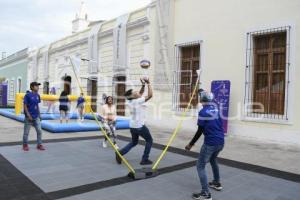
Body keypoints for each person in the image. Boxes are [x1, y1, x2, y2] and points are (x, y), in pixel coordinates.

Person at [185, 89, 225, 200]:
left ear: (201, 99)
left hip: (210, 143)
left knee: (200, 166)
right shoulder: (216, 108)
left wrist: (191, 144)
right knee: (213, 160)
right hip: (221, 141)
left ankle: (205, 193)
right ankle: (217, 183)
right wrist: (201, 91)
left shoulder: (202, 112)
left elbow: (200, 131)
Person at [116, 77, 153, 165]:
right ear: (132, 96)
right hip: (139, 126)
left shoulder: (130, 101)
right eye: (135, 92)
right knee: (149, 140)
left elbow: (140, 93)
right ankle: (144, 159)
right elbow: (150, 95)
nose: (137, 92)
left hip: (132, 126)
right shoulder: (137, 101)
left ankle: (120, 153)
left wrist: (143, 85)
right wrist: (148, 83)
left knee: (134, 142)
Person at [22, 82, 45, 151]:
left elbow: (37, 105)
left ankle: (39, 144)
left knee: (39, 131)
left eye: (38, 86)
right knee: (26, 132)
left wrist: (39, 115)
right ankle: (25, 145)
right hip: (28, 117)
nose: (38, 87)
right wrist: (28, 115)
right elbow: (25, 105)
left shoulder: (38, 95)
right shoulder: (28, 95)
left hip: (36, 117)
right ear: (32, 87)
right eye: (36, 86)